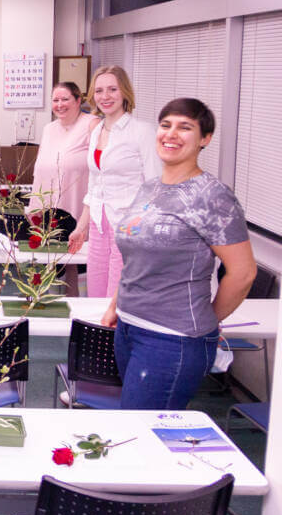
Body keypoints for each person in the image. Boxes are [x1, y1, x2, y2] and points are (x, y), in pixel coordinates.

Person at [101, 98, 256, 409]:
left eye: (185, 127)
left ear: (205, 139)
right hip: (129, 328)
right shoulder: (150, 187)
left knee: (145, 432)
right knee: (133, 423)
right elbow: (135, 258)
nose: (171, 134)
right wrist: (116, 306)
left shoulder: (213, 197)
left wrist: (207, 321)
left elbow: (242, 273)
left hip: (172, 339)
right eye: (166, 125)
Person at [68, 66, 161, 298]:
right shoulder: (96, 130)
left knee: (118, 300)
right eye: (99, 91)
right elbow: (94, 188)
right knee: (96, 296)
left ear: (125, 93)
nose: (105, 96)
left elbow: (156, 188)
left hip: (128, 228)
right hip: (99, 225)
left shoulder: (142, 131)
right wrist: (81, 227)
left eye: (112, 89)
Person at [28, 82, 97, 295]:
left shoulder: (92, 124)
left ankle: (80, 302)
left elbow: (101, 166)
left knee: (78, 257)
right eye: (56, 100)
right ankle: (58, 301)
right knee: (55, 258)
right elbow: (40, 168)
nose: (60, 105)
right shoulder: (49, 128)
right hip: (50, 203)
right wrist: (35, 206)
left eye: (65, 99)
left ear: (78, 100)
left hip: (79, 200)